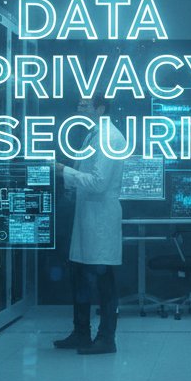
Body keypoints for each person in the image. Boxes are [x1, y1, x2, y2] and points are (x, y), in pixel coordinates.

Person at [52, 94, 124, 355]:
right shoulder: (94, 134)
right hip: (87, 217)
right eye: (79, 103)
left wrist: (63, 171)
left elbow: (98, 182)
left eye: (84, 104)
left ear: (100, 108)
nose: (78, 107)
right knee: (80, 276)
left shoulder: (109, 138)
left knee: (104, 282)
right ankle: (82, 332)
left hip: (100, 218)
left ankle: (107, 338)